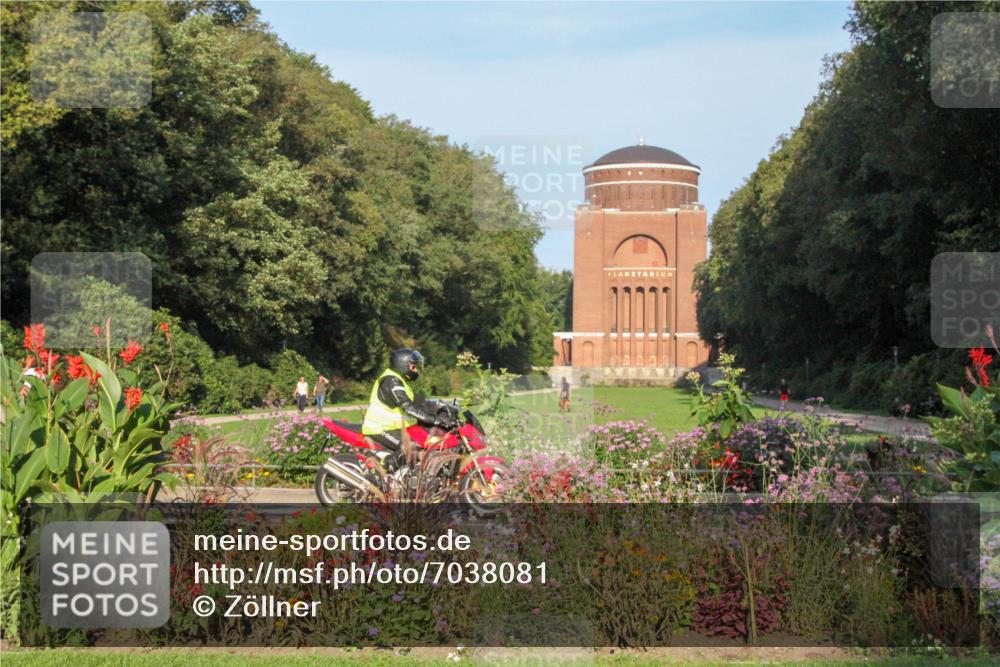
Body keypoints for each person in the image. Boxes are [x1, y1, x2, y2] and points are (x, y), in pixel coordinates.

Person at [361, 348, 443, 452]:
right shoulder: (391, 380)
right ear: (403, 365)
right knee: (413, 447)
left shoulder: (400, 381)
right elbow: (407, 406)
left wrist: (440, 408)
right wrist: (433, 419)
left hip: (393, 428)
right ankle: (385, 465)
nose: (416, 370)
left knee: (423, 441)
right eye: (413, 367)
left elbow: (419, 403)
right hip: (379, 429)